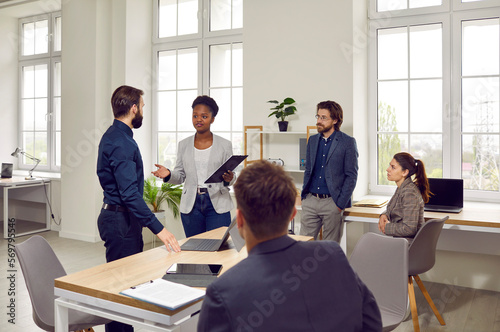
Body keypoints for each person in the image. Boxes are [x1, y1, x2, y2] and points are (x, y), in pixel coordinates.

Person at [197, 160, 382, 332]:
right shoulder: (333, 255)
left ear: (239, 220)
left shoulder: (221, 293)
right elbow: (373, 323)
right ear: (293, 213)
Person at [97, 85, 180, 332]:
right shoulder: (121, 142)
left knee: (127, 288)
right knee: (122, 290)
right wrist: (159, 229)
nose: (142, 110)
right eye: (142, 106)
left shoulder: (117, 136)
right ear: (133, 108)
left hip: (123, 219)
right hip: (119, 221)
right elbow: (129, 195)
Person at [152, 95, 234, 237]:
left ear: (212, 119)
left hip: (217, 203)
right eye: (195, 116)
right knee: (195, 249)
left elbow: (231, 177)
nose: (198, 120)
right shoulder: (183, 145)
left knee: (218, 249)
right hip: (191, 205)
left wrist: (229, 178)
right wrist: (169, 174)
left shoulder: (225, 145)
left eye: (204, 116)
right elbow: (181, 176)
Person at [300, 100, 358, 242]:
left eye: (323, 118)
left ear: (335, 120)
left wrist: (339, 204)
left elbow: (351, 175)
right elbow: (308, 170)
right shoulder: (312, 140)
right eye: (318, 117)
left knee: (329, 251)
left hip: (332, 203)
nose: (319, 121)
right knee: (302, 246)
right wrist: (305, 197)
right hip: (310, 201)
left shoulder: (347, 142)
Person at [378, 152, 431, 243]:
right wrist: (384, 214)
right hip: (401, 242)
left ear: (405, 172)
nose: (387, 169)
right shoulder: (402, 187)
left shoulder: (409, 192)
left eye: (393, 167)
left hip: (408, 245)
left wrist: (386, 227)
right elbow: (396, 207)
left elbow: (409, 228)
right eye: (389, 166)